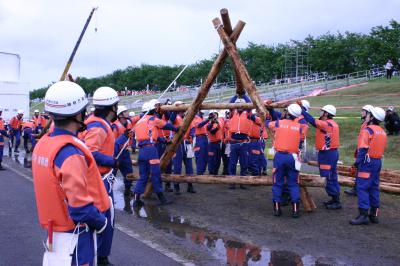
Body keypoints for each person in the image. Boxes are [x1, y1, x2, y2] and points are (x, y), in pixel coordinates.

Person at [32, 81, 109, 266]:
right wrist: (101, 223)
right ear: (78, 114)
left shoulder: (44, 143)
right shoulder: (70, 153)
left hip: (55, 232)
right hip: (75, 237)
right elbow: (80, 207)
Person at [81, 86, 120, 265]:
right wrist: (112, 161)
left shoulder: (93, 121)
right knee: (106, 219)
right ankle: (101, 258)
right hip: (98, 179)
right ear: (113, 107)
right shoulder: (99, 126)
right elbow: (89, 151)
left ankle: (100, 256)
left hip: (97, 178)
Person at [132, 100, 178, 207]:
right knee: (155, 174)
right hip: (151, 151)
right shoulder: (153, 119)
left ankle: (136, 200)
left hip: (142, 151)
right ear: (152, 110)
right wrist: (177, 129)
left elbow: (152, 137)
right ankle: (162, 199)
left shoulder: (139, 122)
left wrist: (164, 141)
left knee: (143, 176)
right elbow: (166, 125)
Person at [350, 107, 387, 225]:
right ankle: (374, 215)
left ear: (372, 117)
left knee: (362, 187)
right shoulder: (382, 132)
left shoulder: (367, 130)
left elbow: (363, 148)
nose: (366, 116)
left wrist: (356, 163)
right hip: (377, 162)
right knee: (374, 187)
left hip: (367, 162)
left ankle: (363, 215)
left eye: (369, 114)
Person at [302, 104, 341, 210]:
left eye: (322, 111)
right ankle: (335, 199)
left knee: (328, 177)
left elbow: (312, 120)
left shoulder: (326, 124)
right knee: (332, 176)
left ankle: (336, 201)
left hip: (327, 154)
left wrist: (301, 110)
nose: (320, 113)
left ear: (326, 113)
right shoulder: (332, 123)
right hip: (332, 153)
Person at [266, 104, 302, 218]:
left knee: (277, 183)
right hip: (293, 157)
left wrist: (267, 116)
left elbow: (268, 124)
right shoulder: (300, 127)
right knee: (293, 183)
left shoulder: (278, 123)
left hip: (280, 156)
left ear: (287, 112)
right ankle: (295, 211)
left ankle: (277, 209)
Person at [345, 105, 374, 196]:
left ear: (368, 113)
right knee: (359, 171)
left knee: (362, 171)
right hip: (361, 151)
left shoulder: (369, 126)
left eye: (363, 111)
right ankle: (357, 188)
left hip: (365, 153)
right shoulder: (364, 124)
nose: (361, 112)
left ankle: (358, 189)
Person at [112, 105, 135, 214]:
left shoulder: (129, 123)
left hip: (125, 152)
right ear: (120, 115)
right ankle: (108, 192)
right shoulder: (115, 127)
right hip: (116, 153)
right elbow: (113, 144)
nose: (127, 112)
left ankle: (127, 189)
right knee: (112, 173)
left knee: (129, 172)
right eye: (125, 111)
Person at [170, 101, 196, 194]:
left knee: (189, 165)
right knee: (177, 166)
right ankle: (176, 186)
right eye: (182, 106)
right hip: (177, 144)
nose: (183, 108)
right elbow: (170, 121)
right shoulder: (174, 117)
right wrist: (174, 109)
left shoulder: (188, 116)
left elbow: (192, 128)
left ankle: (190, 185)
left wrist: (192, 136)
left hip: (187, 143)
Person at [228, 95, 252, 189]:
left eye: (242, 104)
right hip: (234, 143)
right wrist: (237, 95)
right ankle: (232, 182)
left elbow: (250, 104)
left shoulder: (247, 113)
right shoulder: (233, 113)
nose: (240, 106)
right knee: (232, 163)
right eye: (238, 104)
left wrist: (244, 95)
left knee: (244, 163)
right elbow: (230, 104)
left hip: (243, 143)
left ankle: (243, 182)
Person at [206, 110, 224, 175]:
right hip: (212, 144)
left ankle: (215, 172)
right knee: (211, 159)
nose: (214, 116)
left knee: (218, 159)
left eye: (215, 114)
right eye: (212, 114)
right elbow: (211, 131)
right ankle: (211, 172)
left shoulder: (219, 122)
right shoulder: (209, 123)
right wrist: (213, 123)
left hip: (219, 143)